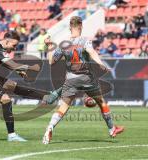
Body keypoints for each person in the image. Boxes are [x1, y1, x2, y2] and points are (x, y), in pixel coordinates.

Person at [42, 16, 124, 144]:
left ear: (70, 27)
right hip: (87, 78)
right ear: (80, 26)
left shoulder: (63, 43)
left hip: (70, 79)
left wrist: (49, 46)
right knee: (101, 102)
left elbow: (52, 62)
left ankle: (49, 128)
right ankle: (111, 129)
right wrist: (101, 63)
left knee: (63, 106)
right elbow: (92, 52)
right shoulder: (85, 40)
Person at [0, 31, 52, 142]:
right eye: (14, 45)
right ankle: (12, 135)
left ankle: (45, 96)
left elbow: (5, 63)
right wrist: (29, 68)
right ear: (6, 41)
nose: (14, 48)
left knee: (13, 85)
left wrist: (19, 71)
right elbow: (11, 64)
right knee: (6, 100)